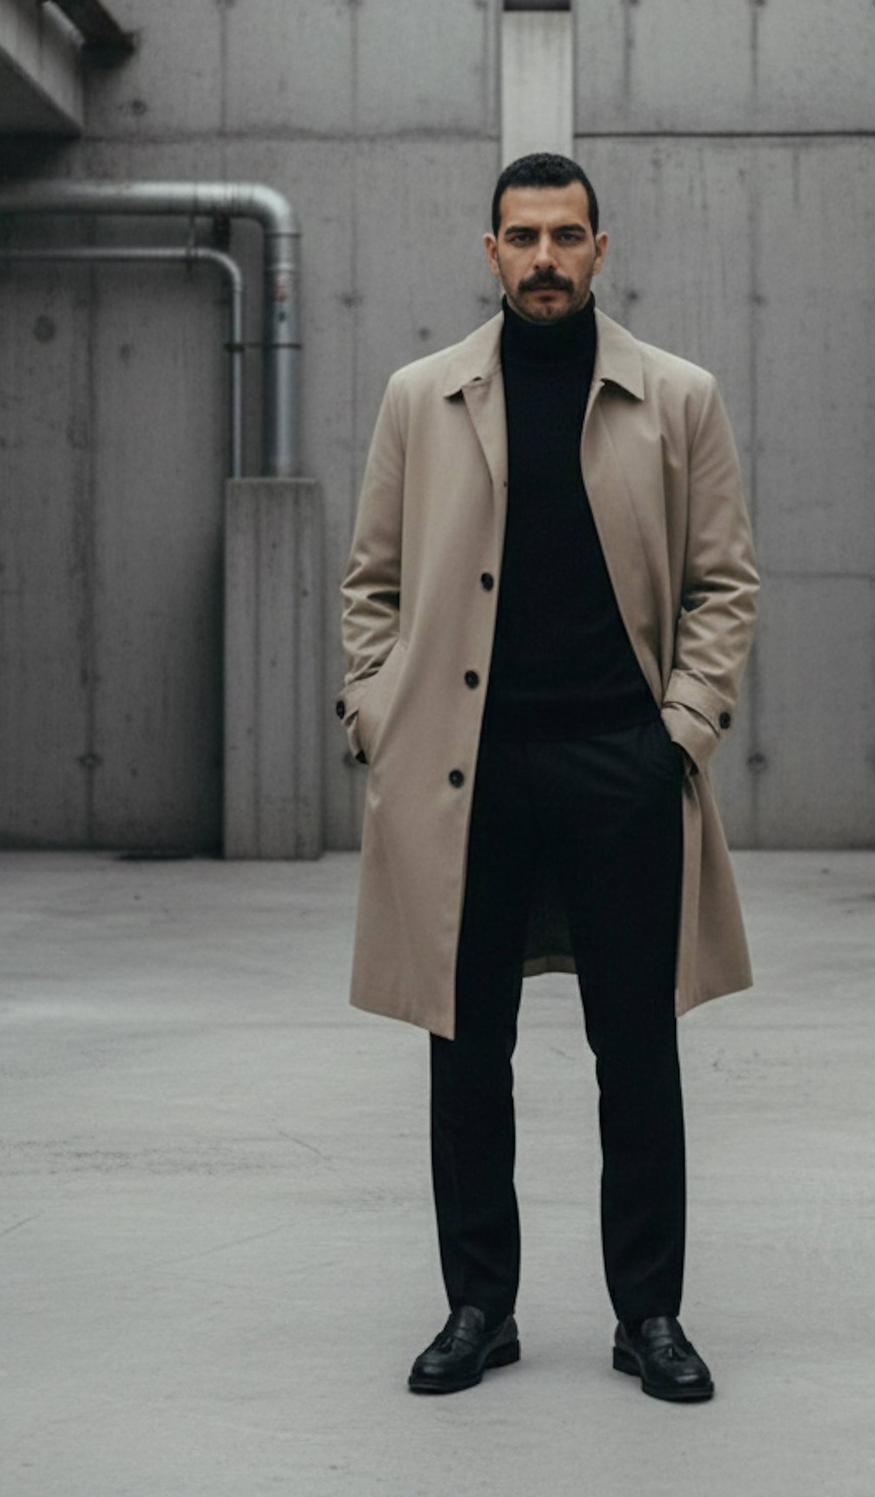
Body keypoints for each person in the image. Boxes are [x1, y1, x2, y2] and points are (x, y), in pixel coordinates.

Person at [337, 151, 759, 1402]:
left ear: (599, 249)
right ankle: (479, 1304)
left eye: (565, 236)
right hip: (460, 776)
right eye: (521, 237)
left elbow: (724, 583)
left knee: (636, 1050)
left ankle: (650, 1314)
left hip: (622, 765)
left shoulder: (677, 396)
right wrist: (376, 716)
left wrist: (678, 732)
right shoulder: (421, 397)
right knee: (466, 1046)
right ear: (490, 251)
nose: (543, 259)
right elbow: (370, 584)